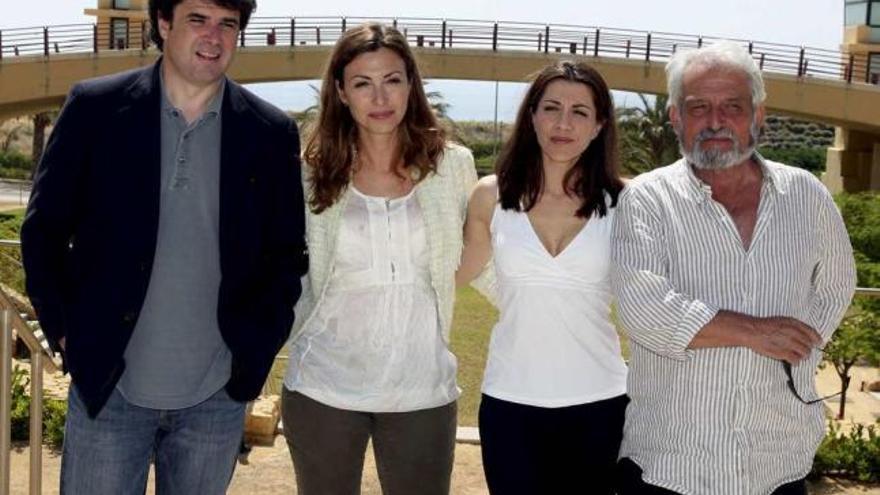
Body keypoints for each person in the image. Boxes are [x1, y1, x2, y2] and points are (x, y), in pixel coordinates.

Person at [20, 0, 306, 493]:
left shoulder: (270, 133)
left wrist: (254, 353)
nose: (214, 36)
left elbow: (285, 257)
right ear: (164, 23)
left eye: (228, 24)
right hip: (109, 391)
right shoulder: (95, 109)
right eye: (198, 19)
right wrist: (68, 334)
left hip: (215, 399)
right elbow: (43, 230)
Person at [612, 41, 856, 495]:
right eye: (698, 106)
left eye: (733, 106)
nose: (716, 121)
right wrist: (757, 334)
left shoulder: (806, 194)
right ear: (676, 118)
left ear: (758, 115)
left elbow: (839, 281)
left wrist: (799, 345)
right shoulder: (647, 199)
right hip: (672, 461)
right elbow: (643, 308)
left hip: (778, 458)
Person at [280, 22, 477, 495]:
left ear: (412, 84)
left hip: (422, 390)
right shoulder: (310, 174)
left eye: (392, 80)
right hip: (322, 387)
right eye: (363, 84)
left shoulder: (452, 166)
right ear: (342, 94)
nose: (380, 97)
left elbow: (478, 262)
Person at [456, 61, 628, 494]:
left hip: (600, 403)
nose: (563, 123)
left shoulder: (627, 202)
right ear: (531, 115)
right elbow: (453, 276)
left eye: (580, 112)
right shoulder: (490, 197)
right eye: (551, 108)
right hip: (510, 403)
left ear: (599, 124)